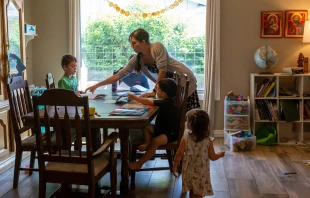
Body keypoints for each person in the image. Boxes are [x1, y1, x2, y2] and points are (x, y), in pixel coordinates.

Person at [85, 28, 200, 111]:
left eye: (134, 43)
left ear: (143, 41)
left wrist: (155, 91)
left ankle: (190, 143)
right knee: (174, 114)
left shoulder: (157, 47)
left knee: (188, 115)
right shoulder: (137, 58)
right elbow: (120, 75)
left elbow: (162, 71)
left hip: (184, 80)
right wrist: (97, 85)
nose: (132, 46)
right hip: (170, 86)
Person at [127, 78, 179, 170]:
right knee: (144, 124)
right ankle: (147, 142)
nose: (156, 91)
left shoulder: (167, 102)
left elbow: (150, 102)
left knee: (156, 141)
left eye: (158, 89)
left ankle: (139, 163)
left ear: (163, 93)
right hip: (161, 129)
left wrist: (135, 97)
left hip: (170, 134)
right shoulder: (167, 100)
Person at [172, 109, 225, 198]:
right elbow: (212, 157)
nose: (185, 122)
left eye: (187, 120)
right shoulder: (208, 141)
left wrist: (175, 165)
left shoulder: (185, 138)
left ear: (191, 125)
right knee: (198, 192)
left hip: (188, 171)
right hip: (201, 173)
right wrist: (219, 154)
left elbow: (179, 153)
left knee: (192, 190)